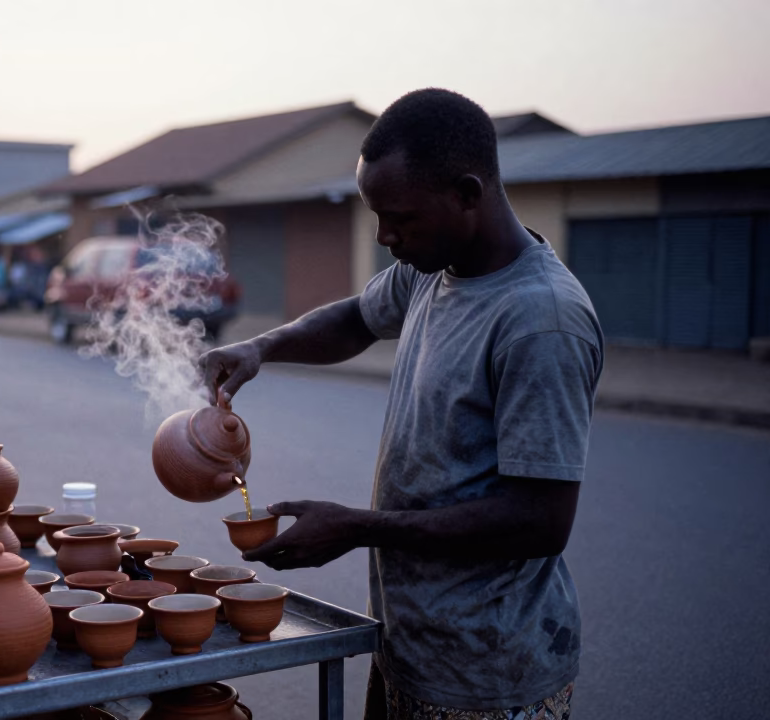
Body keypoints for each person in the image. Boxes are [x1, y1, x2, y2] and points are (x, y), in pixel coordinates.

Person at [199, 88, 602, 720]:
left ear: (468, 194)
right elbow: (356, 319)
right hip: (409, 648)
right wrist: (261, 347)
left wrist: (358, 527)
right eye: (376, 215)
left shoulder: (539, 320)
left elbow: (540, 521)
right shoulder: (432, 266)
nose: (386, 236)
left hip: (486, 674)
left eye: (401, 218)